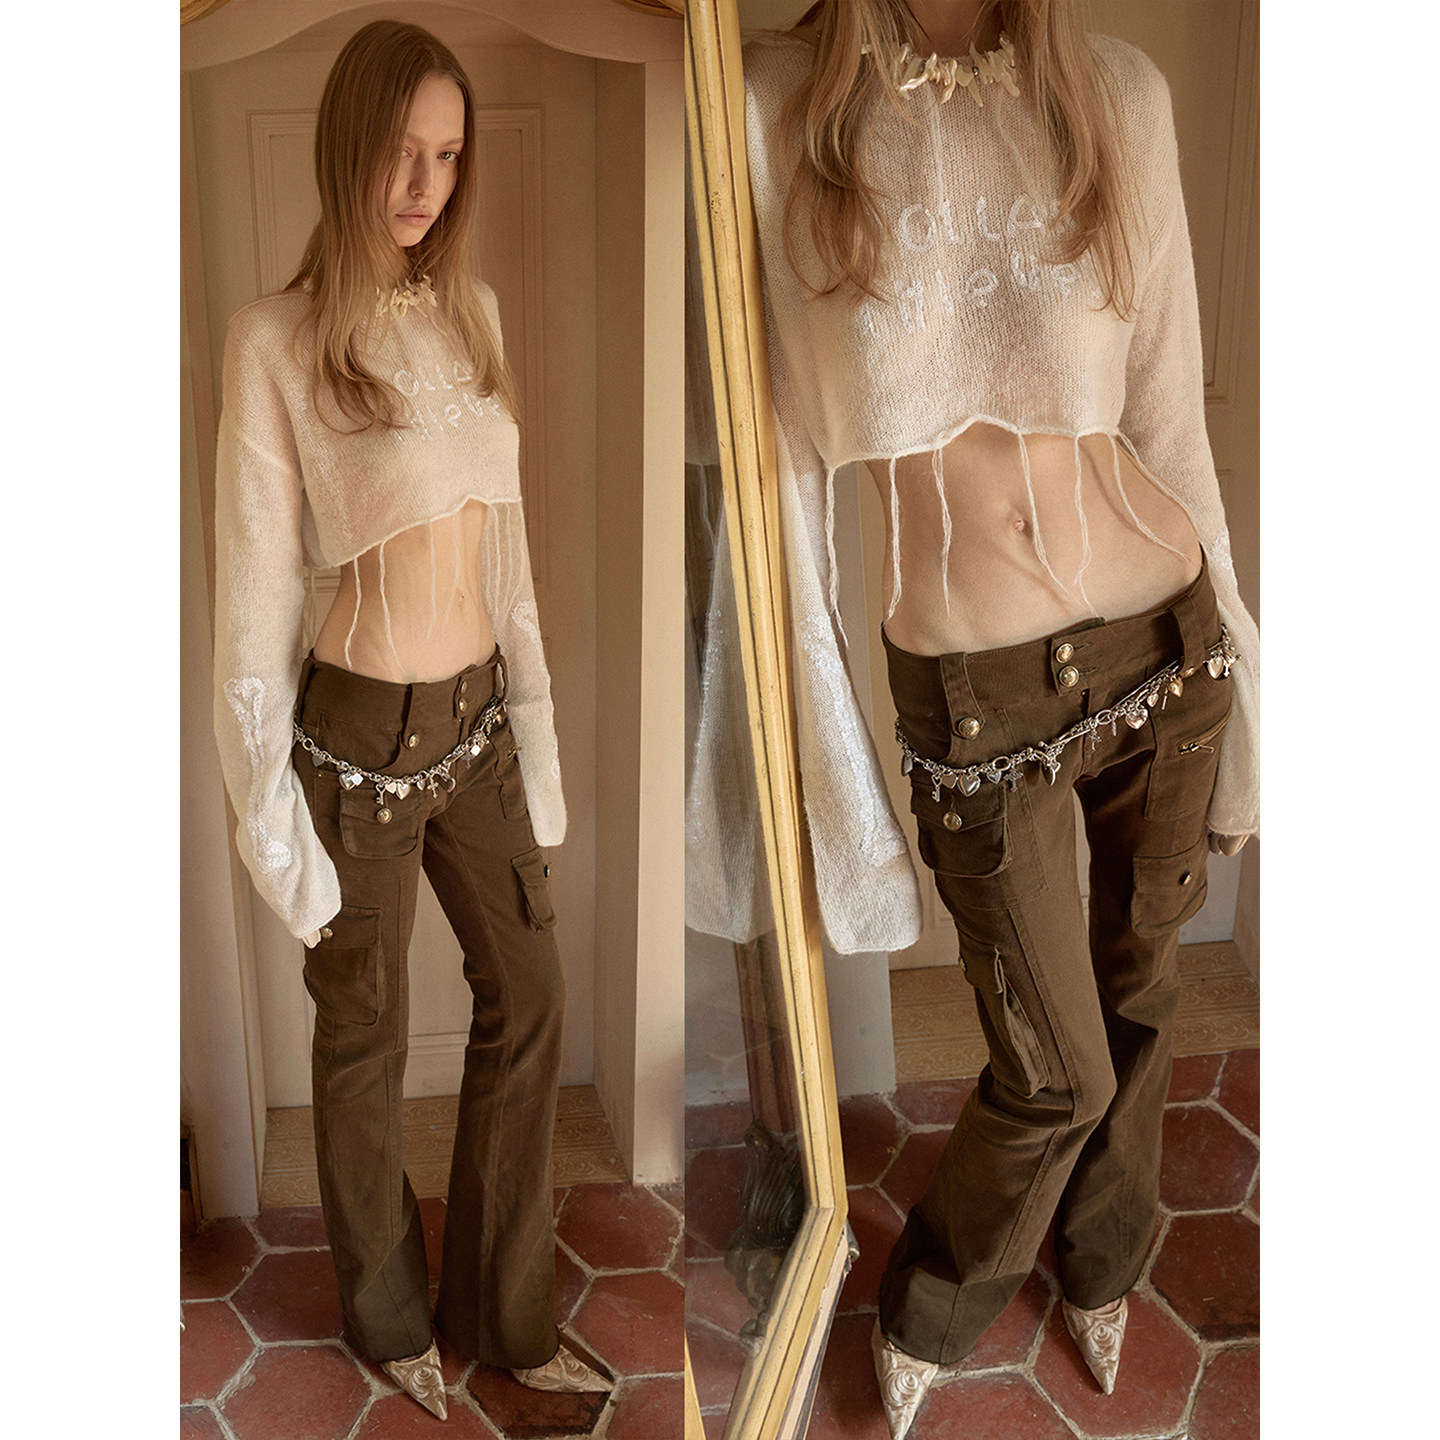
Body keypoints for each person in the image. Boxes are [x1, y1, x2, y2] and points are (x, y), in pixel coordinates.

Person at [741, 1, 1259, 1434]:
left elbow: (1169, 424)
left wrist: (1250, 683)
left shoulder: (1118, 95)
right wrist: (835, 779)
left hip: (1164, 640)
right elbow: (780, 500)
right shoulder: (768, 106)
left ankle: (1106, 1262)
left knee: (1143, 987)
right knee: (1053, 1067)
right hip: (974, 697)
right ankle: (934, 1300)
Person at [211, 19, 609, 1418]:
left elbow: (511, 560)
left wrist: (540, 735)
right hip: (358, 742)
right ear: (347, 148)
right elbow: (255, 596)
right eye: (400, 151)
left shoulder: (474, 313)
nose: (424, 184)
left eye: (447, 155)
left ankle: (501, 1309)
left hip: (481, 718)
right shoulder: (274, 342)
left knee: (531, 995)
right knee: (364, 1036)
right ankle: (387, 1322)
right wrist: (271, 823)